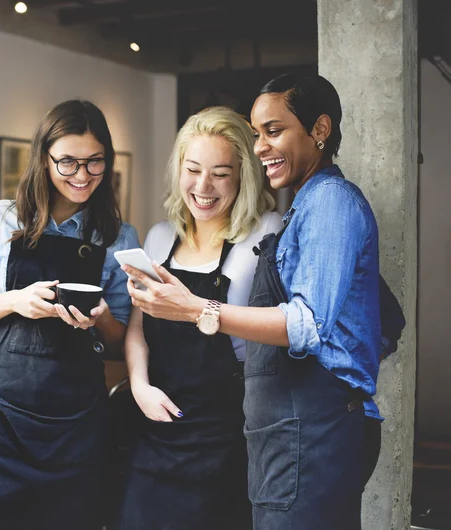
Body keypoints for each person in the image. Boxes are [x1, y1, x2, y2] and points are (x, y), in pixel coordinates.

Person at [122, 74, 383, 530]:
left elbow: (305, 325)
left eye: (273, 131)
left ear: (319, 130)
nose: (262, 146)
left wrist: (196, 309)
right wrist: (140, 382)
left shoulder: (326, 206)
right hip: (268, 424)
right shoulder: (307, 205)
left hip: (307, 422)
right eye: (258, 134)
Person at [0, 100, 139, 530]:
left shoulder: (116, 235)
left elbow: (119, 337)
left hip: (74, 430)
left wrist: (100, 317)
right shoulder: (2, 219)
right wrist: (15, 301)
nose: (82, 176)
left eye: (95, 163)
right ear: (43, 158)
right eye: (68, 162)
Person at [116, 106, 282, 530]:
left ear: (244, 175)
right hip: (154, 422)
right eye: (192, 169)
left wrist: (201, 310)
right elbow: (139, 329)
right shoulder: (158, 237)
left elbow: (280, 327)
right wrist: (139, 387)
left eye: (221, 173)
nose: (203, 186)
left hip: (227, 432)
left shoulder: (265, 233)